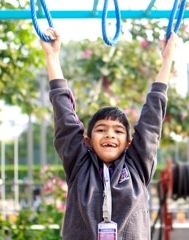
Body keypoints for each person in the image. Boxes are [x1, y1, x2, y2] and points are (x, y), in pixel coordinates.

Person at [40, 28, 177, 240]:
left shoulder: (137, 167)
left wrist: (167, 60)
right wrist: (52, 57)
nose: (109, 135)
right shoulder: (79, 165)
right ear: (87, 140)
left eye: (118, 131)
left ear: (129, 143)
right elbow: (64, 116)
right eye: (101, 130)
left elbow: (151, 120)